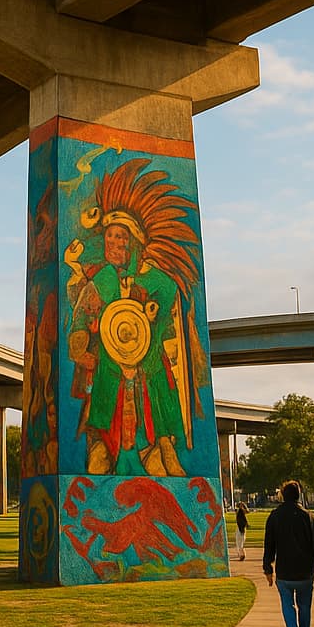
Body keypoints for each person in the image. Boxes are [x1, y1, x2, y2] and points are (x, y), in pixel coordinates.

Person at [66, 157, 208, 477]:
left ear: (135, 242)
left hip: (151, 381)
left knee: (162, 459)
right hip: (108, 382)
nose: (112, 243)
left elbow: (171, 338)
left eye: (120, 236)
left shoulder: (162, 284)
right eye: (108, 236)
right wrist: (81, 348)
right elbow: (80, 321)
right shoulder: (103, 280)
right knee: (99, 456)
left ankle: (162, 446)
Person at [262, 480, 314, 627]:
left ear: (283, 495)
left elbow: (269, 545)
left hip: (284, 571)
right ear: (299, 495)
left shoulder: (275, 516)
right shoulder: (309, 517)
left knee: (288, 606)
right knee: (304, 606)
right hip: (305, 571)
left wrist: (268, 568)